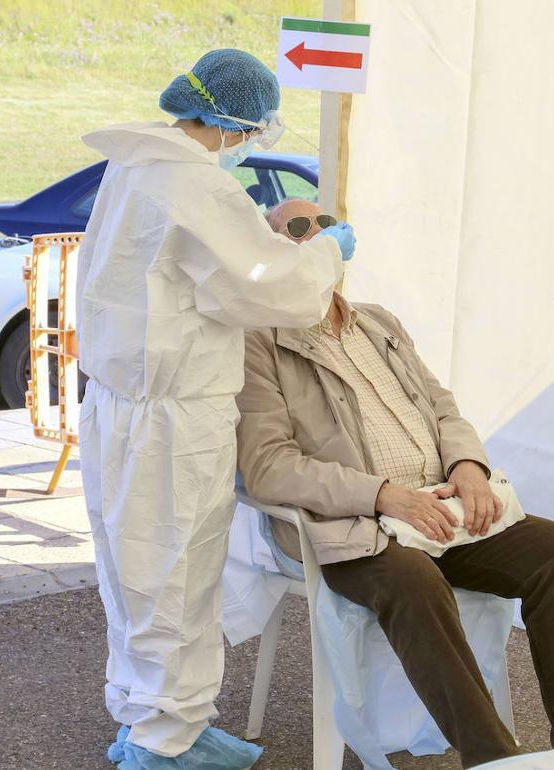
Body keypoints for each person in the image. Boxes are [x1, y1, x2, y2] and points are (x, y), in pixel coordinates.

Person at [236, 199, 554, 769]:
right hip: (352, 526)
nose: (317, 236)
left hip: (437, 510)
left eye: (328, 225)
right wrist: (382, 495)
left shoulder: (378, 322)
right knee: (412, 578)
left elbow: (443, 409)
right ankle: (493, 757)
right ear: (271, 251)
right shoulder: (259, 340)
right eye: (298, 227)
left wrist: (467, 466)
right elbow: (268, 465)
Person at [77, 50, 356, 770]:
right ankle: (164, 742)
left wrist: (257, 238)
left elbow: (194, 268)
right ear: (237, 122)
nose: (254, 141)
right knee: (173, 578)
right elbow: (274, 293)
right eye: (256, 130)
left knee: (139, 576)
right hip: (175, 416)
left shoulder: (137, 166)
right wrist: (325, 252)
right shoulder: (195, 185)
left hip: (120, 406)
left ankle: (161, 720)